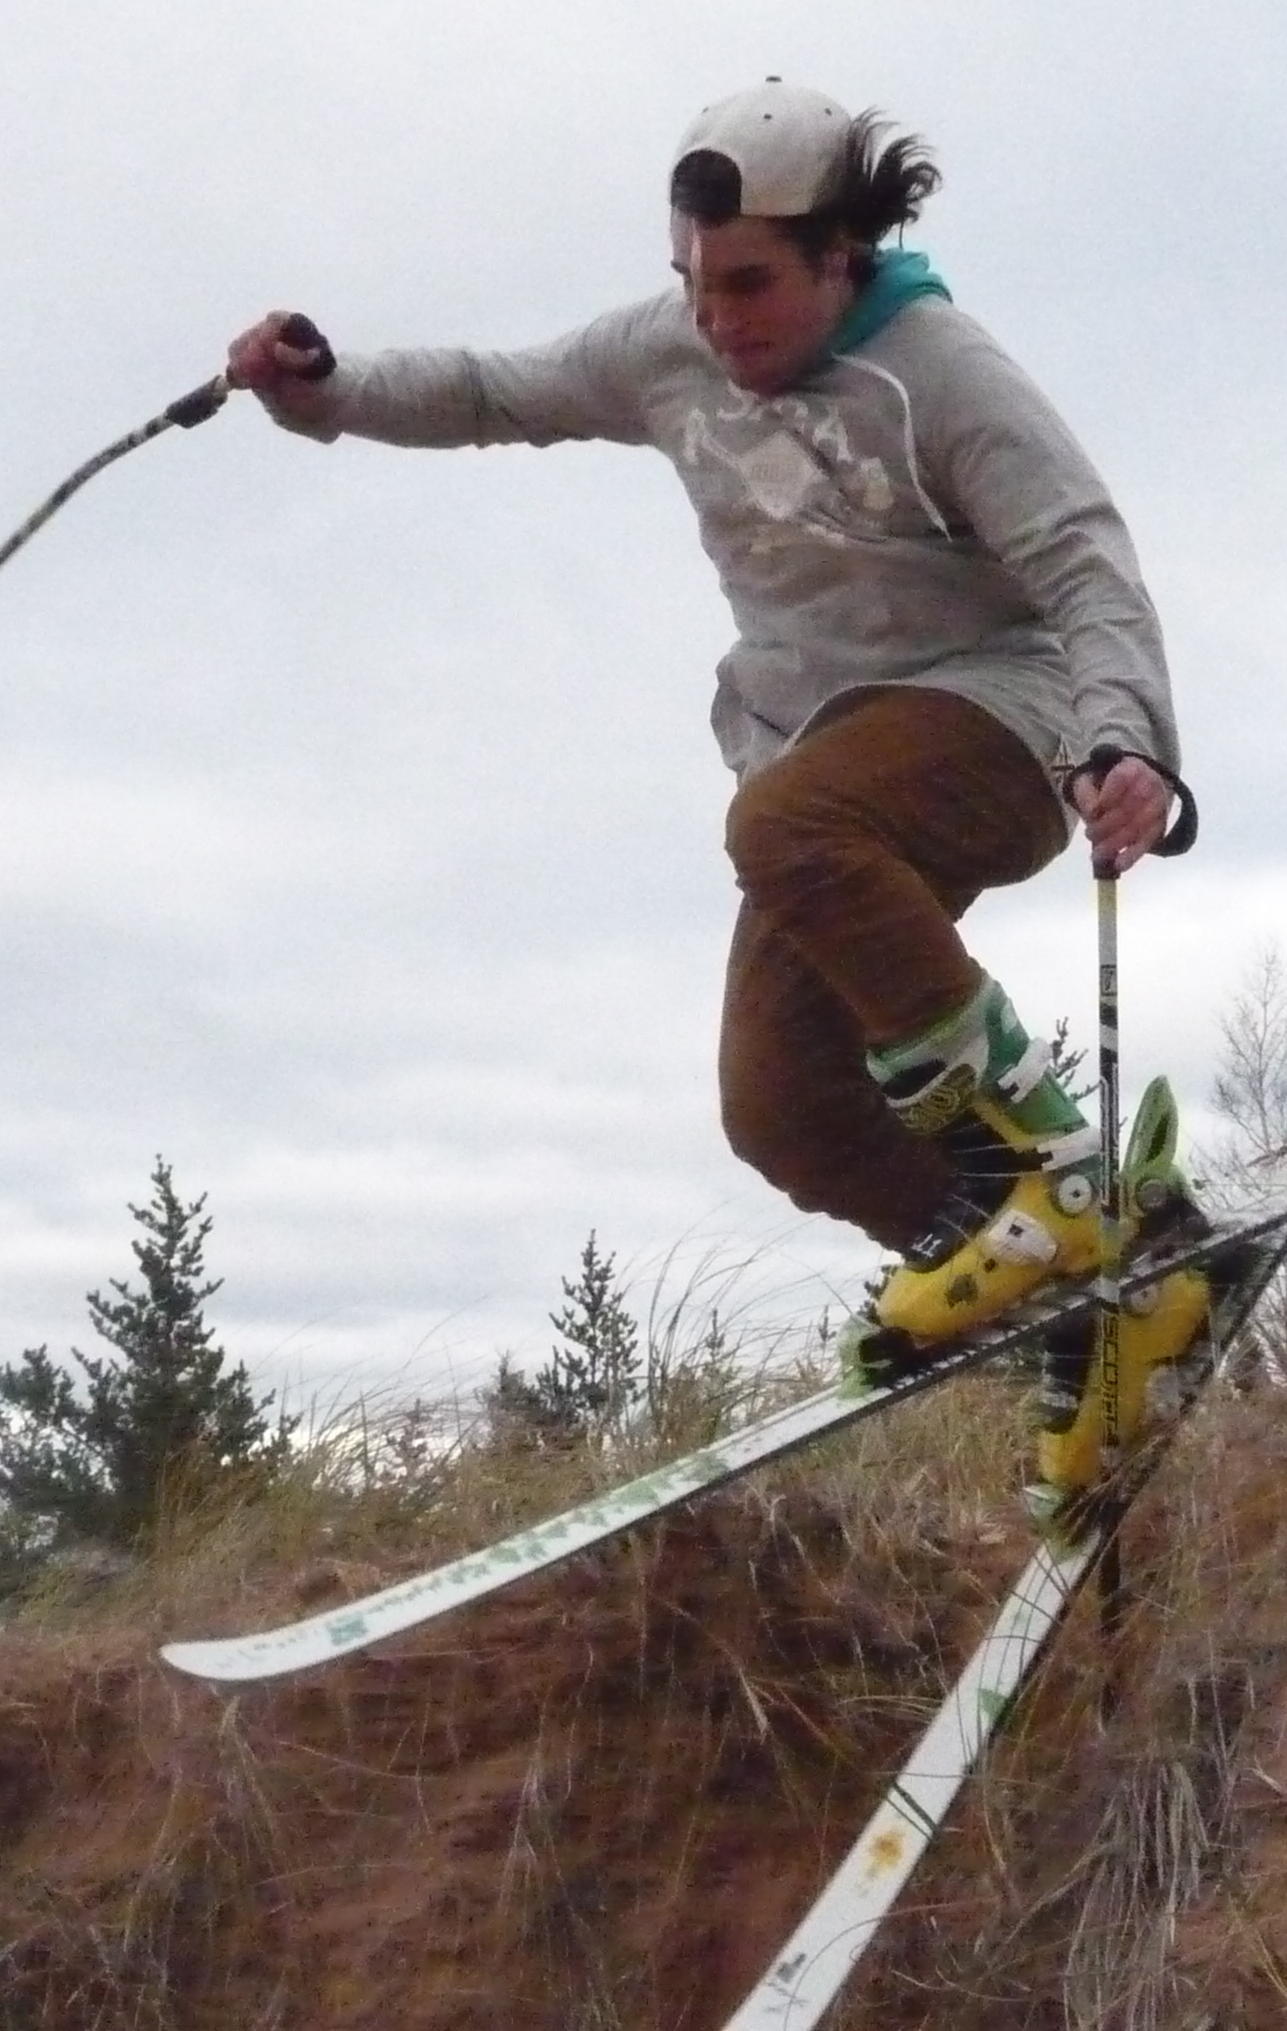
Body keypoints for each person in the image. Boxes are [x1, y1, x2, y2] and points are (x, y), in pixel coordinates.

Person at [225, 80, 1206, 1512]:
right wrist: (325, 391)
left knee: (787, 821)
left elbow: (1085, 563)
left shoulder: (945, 377)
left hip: (1002, 728)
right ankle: (1095, 1297)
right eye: (694, 282)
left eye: (751, 285)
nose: (718, 319)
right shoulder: (666, 349)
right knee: (782, 1109)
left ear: (840, 257)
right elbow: (498, 390)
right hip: (820, 778)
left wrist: (1129, 744)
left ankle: (1056, 1186)